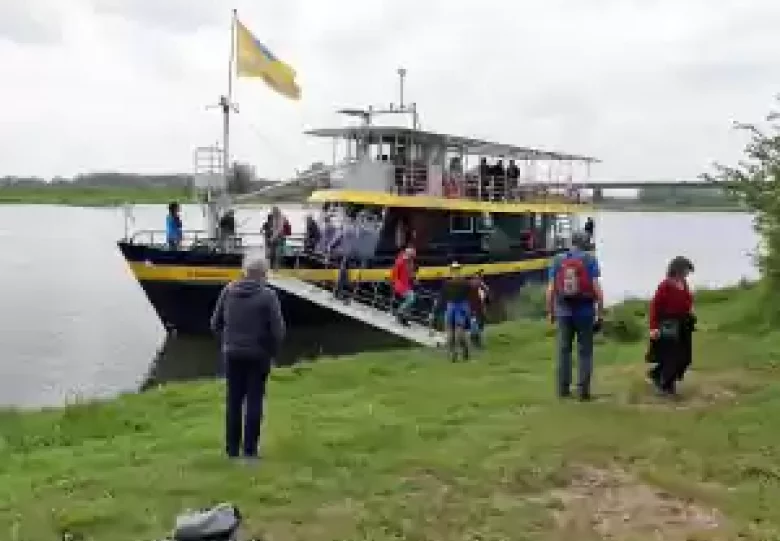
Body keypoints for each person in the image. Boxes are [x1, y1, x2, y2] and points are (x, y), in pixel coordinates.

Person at [210, 256, 286, 460]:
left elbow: (214, 324)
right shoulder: (268, 296)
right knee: (254, 401)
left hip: (232, 354)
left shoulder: (228, 290)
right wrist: (271, 352)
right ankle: (250, 452)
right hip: (258, 355)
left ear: (245, 272)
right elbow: (278, 332)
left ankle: (232, 450)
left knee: (233, 402)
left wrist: (227, 342)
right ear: (263, 274)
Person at [545, 230, 605, 401]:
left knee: (563, 350)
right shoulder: (589, 259)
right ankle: (583, 391)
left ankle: (563, 390)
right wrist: (600, 314)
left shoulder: (557, 259)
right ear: (586, 243)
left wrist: (550, 312)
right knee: (585, 351)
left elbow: (550, 290)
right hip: (585, 312)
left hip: (563, 311)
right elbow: (597, 290)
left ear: (572, 242)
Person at [646, 256, 696, 396]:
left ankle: (657, 374)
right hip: (669, 323)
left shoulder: (684, 283)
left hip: (684, 323)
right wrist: (654, 327)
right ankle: (666, 386)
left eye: (688, 271)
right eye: (686, 270)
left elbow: (687, 300)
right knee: (672, 357)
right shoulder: (665, 285)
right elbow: (655, 307)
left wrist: (690, 310)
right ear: (677, 269)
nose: (687, 273)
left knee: (685, 358)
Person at [433, 262, 472, 361]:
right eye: (454, 270)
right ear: (452, 271)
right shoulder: (451, 284)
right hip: (453, 307)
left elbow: (470, 297)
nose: (456, 272)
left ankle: (460, 350)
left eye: (457, 270)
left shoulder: (464, 283)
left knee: (458, 331)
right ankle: (454, 352)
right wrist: (436, 311)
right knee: (451, 331)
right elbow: (442, 298)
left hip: (460, 307)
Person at [391, 246, 416, 325]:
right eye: (412, 255)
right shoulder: (400, 261)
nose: (413, 257)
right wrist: (394, 284)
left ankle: (404, 319)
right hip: (400, 285)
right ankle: (399, 312)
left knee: (411, 300)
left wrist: (414, 279)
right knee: (411, 298)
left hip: (406, 285)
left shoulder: (410, 262)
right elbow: (394, 274)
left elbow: (409, 274)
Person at [467, 270, 490, 347]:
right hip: (478, 307)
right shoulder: (480, 284)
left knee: (474, 323)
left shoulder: (469, 284)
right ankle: (477, 341)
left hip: (471, 308)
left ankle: (474, 339)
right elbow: (486, 294)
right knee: (479, 324)